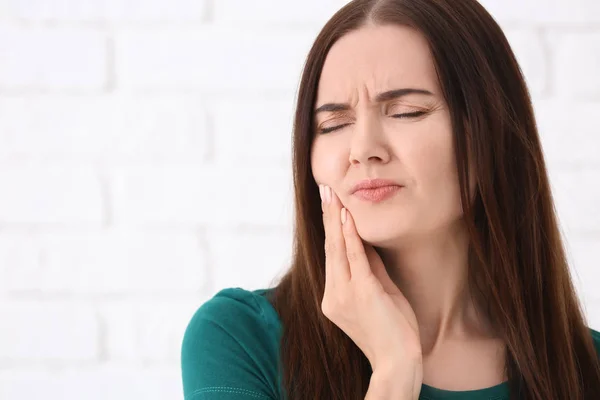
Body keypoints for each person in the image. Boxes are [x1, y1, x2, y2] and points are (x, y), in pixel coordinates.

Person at [181, 0, 600, 399]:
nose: (363, 149)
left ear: (491, 132)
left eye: (407, 112)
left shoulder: (589, 368)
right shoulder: (240, 339)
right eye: (333, 124)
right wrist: (393, 374)